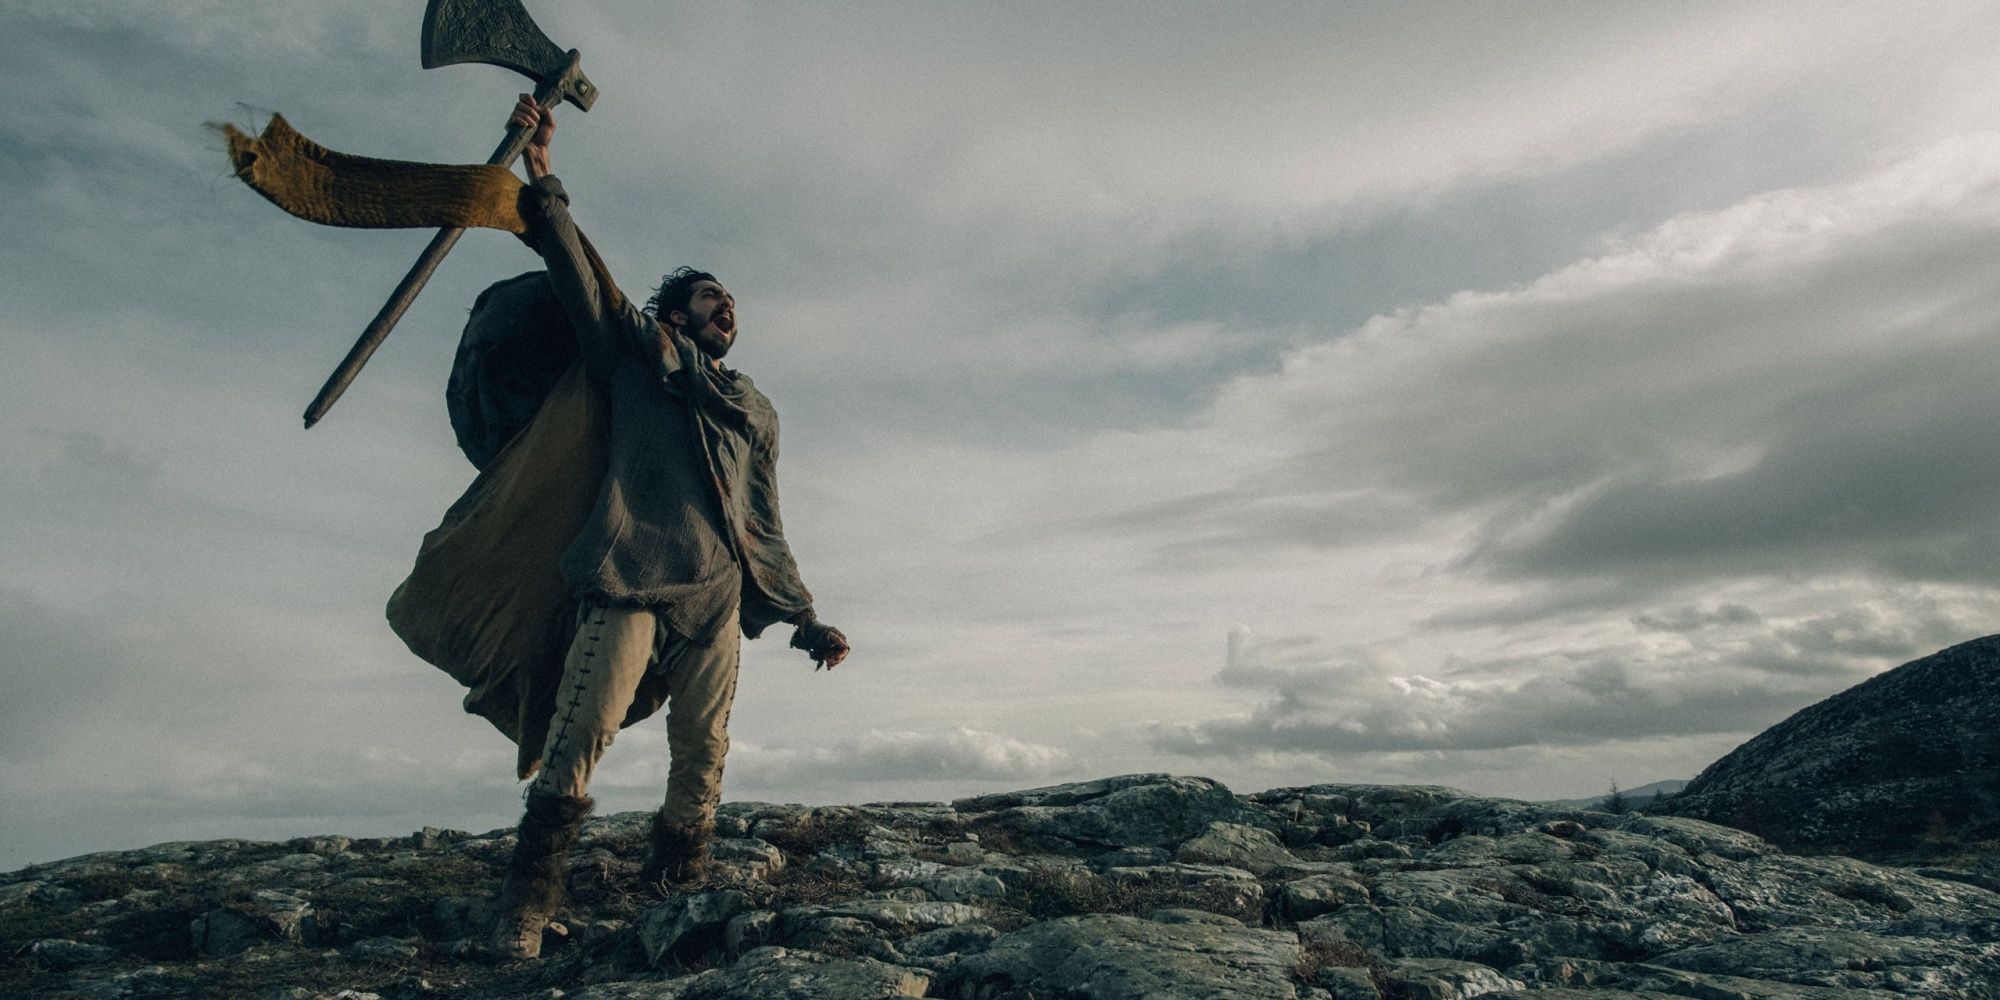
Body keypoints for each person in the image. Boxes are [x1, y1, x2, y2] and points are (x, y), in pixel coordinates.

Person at [489, 94, 850, 961]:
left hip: (717, 596)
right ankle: (523, 910)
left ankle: (674, 891)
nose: (726, 308)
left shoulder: (752, 405)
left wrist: (803, 619)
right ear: (676, 311)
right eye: (708, 298)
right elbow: (582, 277)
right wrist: (544, 174)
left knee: (704, 753)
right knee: (580, 735)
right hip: (629, 573)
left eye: (731, 301)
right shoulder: (635, 356)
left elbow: (760, 514)